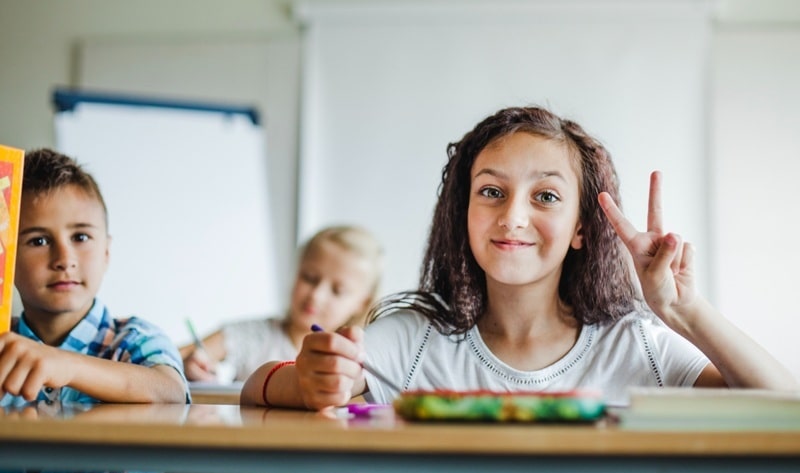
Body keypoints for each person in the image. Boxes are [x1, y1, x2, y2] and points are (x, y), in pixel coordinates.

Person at [241, 105, 797, 416]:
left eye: (546, 197)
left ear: (582, 228)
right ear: (464, 213)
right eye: (491, 191)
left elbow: (784, 414)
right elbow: (256, 387)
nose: (512, 217)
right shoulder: (416, 339)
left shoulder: (637, 346)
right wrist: (309, 381)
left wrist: (686, 313)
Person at [0, 148, 189, 473]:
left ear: (106, 251)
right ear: (7, 257)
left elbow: (170, 393)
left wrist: (65, 364)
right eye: (39, 240)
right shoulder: (3, 348)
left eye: (81, 237)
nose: (64, 258)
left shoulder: (133, 339)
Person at [181, 224, 383, 383]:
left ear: (362, 302)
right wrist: (189, 364)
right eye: (309, 277)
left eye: (337, 291)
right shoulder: (254, 336)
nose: (316, 295)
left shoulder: (363, 360)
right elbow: (168, 357)